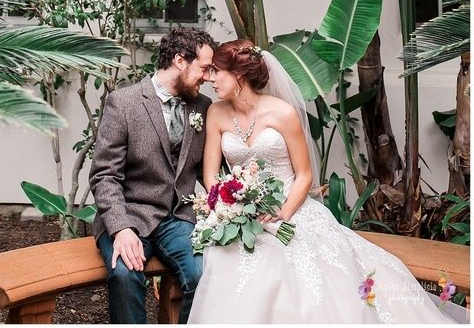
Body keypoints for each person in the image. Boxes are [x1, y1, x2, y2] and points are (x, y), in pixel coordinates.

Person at [188, 39, 469, 324]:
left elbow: (305, 175)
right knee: (231, 264)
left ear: (238, 75)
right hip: (238, 214)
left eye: (215, 71)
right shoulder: (216, 113)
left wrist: (281, 212)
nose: (209, 78)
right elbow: (211, 175)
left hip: (289, 207)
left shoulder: (282, 113)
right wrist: (230, 207)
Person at [89, 26, 216, 324]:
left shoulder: (203, 106)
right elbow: (104, 175)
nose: (209, 77)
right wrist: (120, 229)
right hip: (129, 214)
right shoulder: (124, 103)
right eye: (205, 69)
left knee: (202, 274)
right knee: (124, 275)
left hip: (178, 218)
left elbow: (209, 168)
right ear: (180, 61)